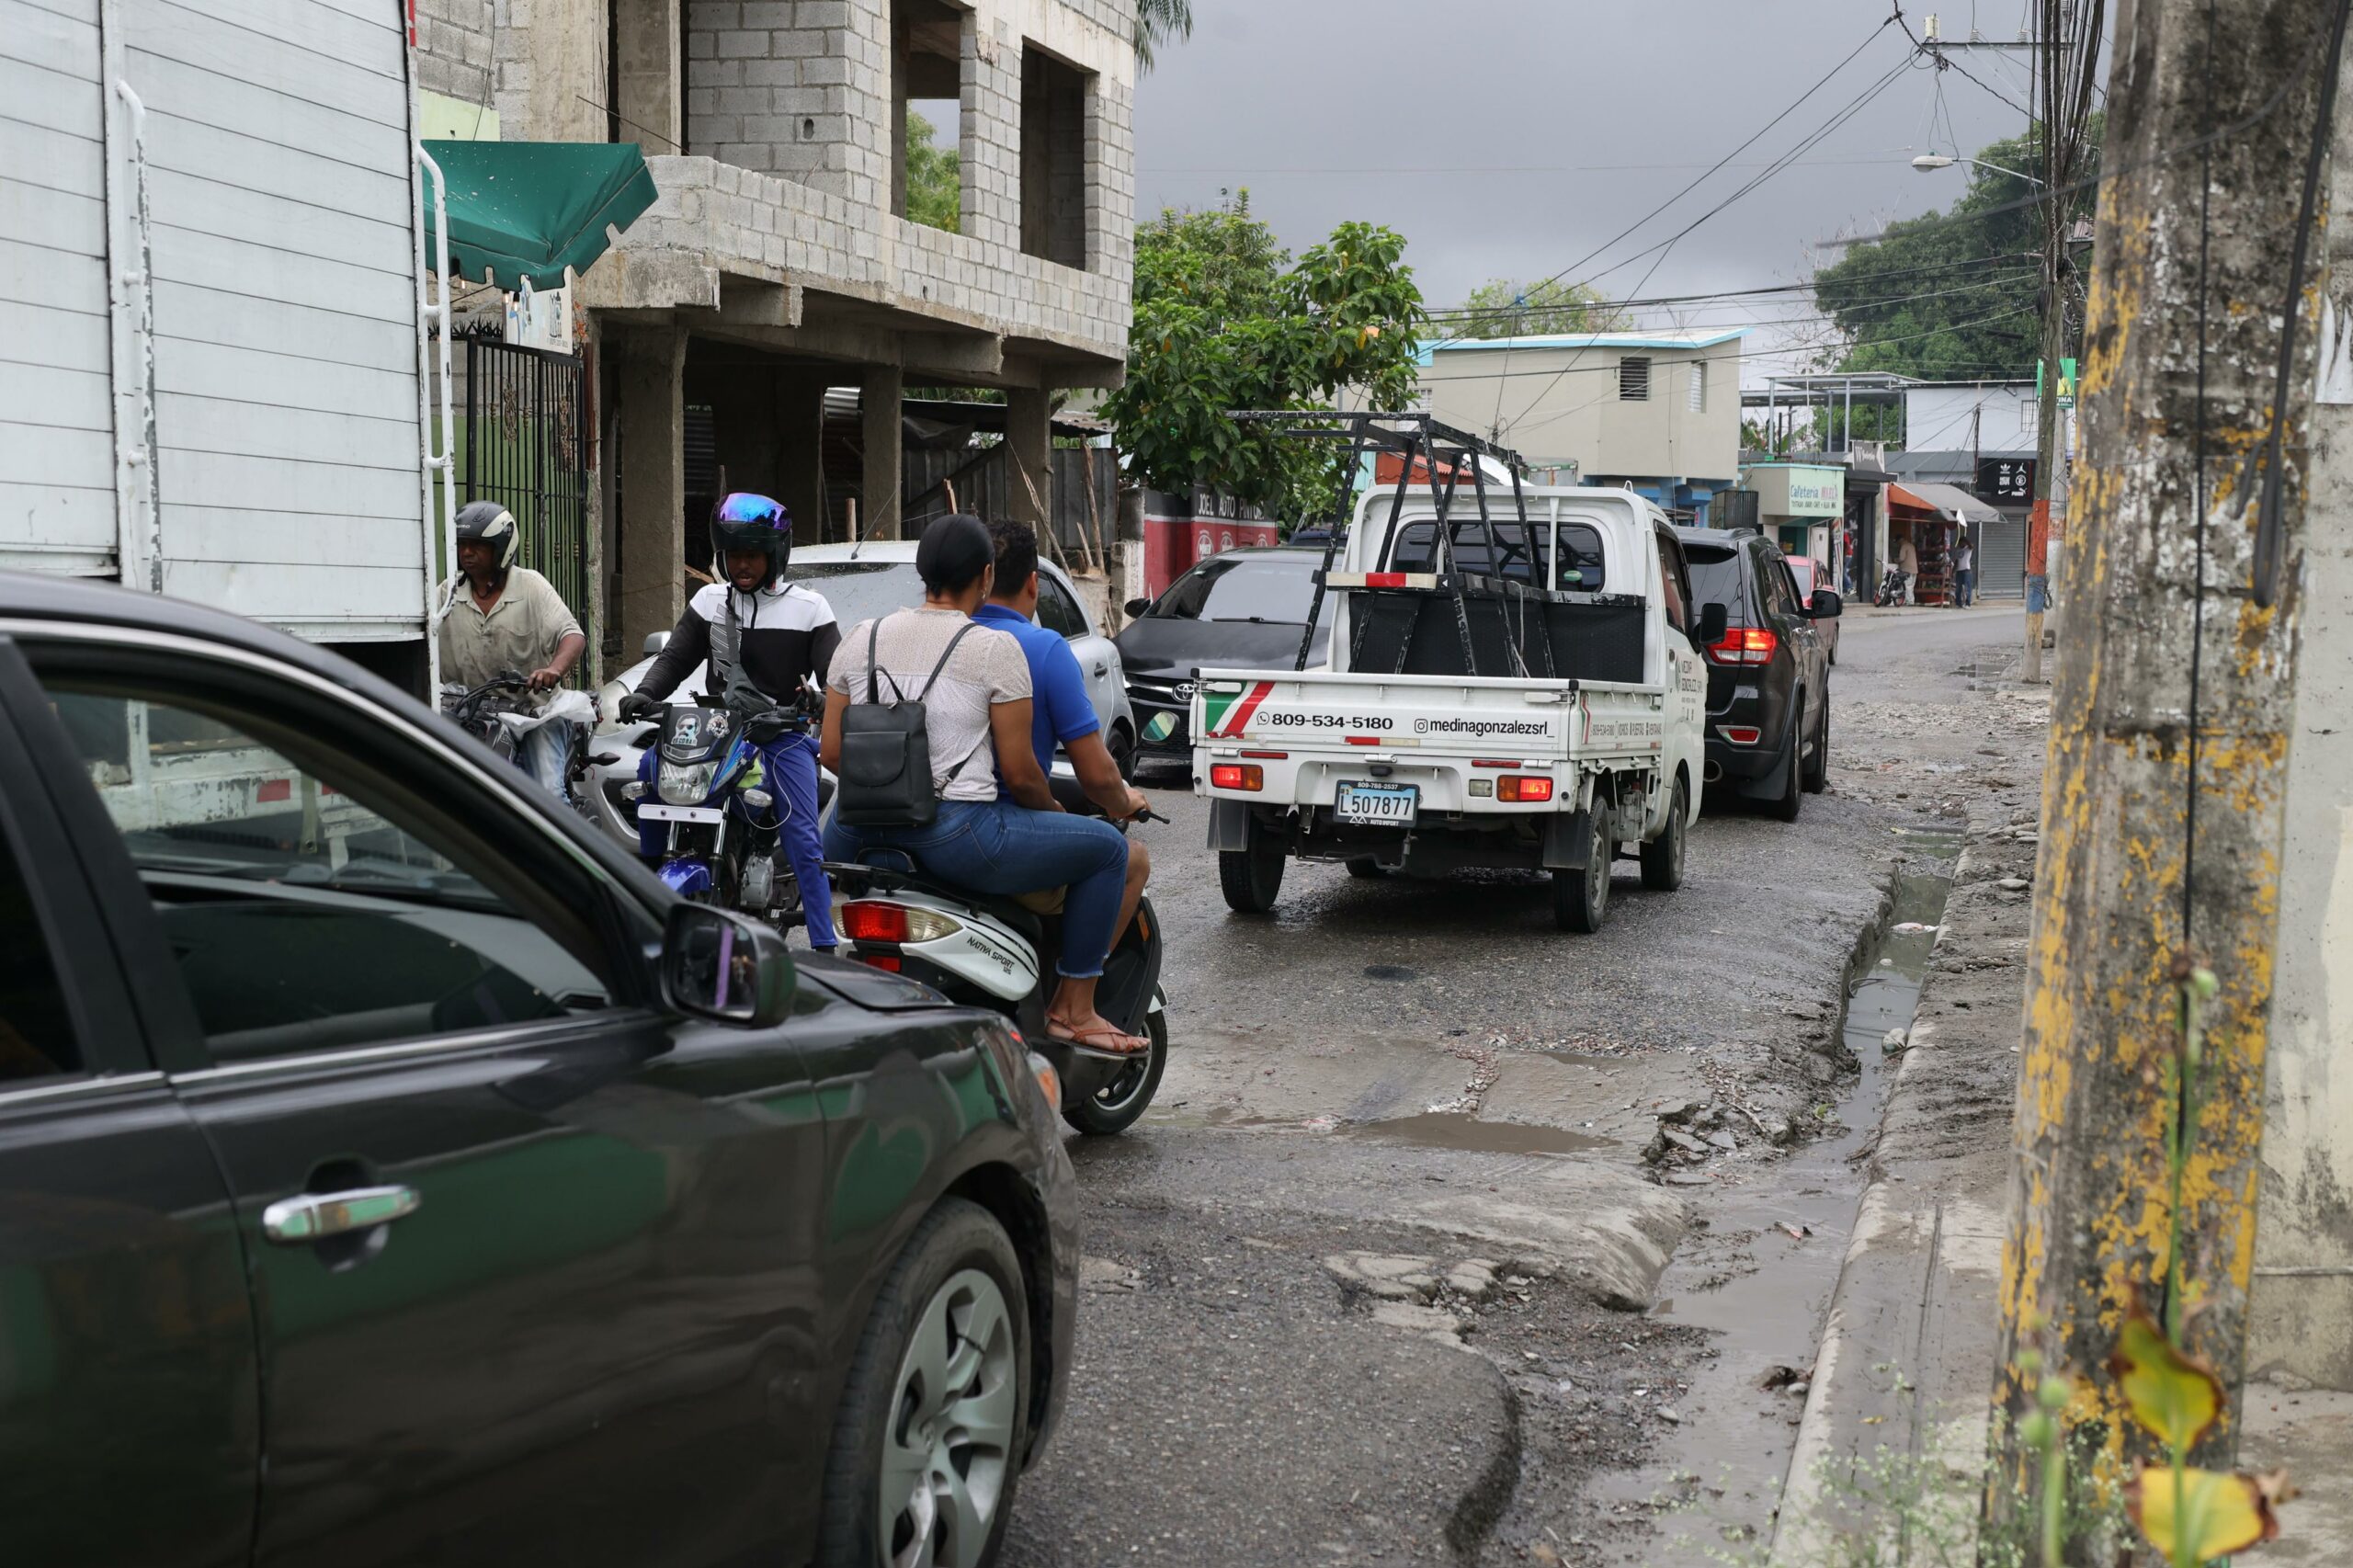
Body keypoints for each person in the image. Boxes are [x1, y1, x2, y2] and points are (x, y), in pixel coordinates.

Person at [820, 515, 1146, 1059]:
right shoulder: (994, 648)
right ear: (986, 576)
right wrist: (1053, 816)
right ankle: (1075, 1009)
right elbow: (1020, 775)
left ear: (922, 573)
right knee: (1111, 850)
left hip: (853, 833)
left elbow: (831, 752)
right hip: (956, 835)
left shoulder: (861, 637)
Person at [620, 493, 840, 953]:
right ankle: (654, 874)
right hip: (717, 733)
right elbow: (673, 660)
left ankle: (824, 946)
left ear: (775, 555)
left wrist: (822, 701)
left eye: (753, 555)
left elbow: (835, 676)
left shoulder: (810, 608)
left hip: (780, 737)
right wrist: (644, 693)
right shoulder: (709, 601)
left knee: (802, 835)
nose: (742, 564)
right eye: (734, 554)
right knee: (648, 774)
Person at [976, 518, 1153, 937]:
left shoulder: (947, 638)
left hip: (934, 832)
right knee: (1131, 859)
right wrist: (1123, 799)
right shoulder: (1044, 647)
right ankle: (1081, 977)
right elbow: (1095, 776)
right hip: (1006, 837)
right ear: (1033, 583)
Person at [438, 501, 586, 798]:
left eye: (477, 545)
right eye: (462, 544)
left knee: (548, 792)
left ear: (501, 549)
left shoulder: (531, 587)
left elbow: (572, 635)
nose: (467, 552)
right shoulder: (447, 593)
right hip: (468, 711)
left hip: (534, 713)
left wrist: (553, 669)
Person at [1952, 527, 1976, 608]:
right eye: (1959, 543)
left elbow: (1971, 546)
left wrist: (1966, 540)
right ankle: (1958, 604)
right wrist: (1953, 571)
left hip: (1966, 570)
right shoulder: (1958, 551)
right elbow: (1956, 562)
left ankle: (1968, 604)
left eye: (1961, 542)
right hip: (1959, 571)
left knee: (1967, 588)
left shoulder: (1968, 549)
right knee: (1958, 589)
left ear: (1964, 542)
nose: (1959, 544)